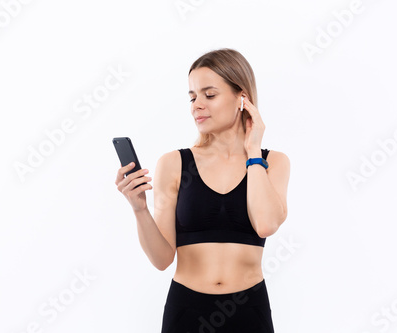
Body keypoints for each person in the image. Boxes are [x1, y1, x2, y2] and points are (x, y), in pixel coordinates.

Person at [115, 48, 290, 332]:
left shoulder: (273, 162)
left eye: (209, 95)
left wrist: (253, 150)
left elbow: (266, 224)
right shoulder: (174, 163)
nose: (197, 105)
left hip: (249, 309)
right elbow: (162, 259)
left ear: (241, 98)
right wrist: (139, 208)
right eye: (192, 96)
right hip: (186, 310)